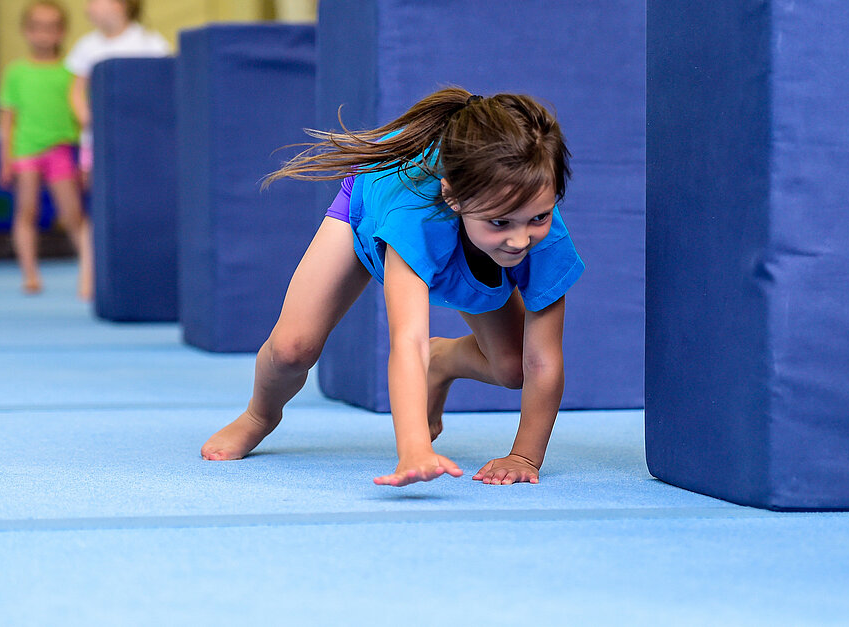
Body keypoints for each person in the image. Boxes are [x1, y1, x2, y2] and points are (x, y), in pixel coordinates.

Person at [202, 87, 584, 487]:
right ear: (452, 197)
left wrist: (525, 456)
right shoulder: (414, 219)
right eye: (501, 222)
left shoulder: (544, 236)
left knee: (512, 366)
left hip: (464, 241)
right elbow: (408, 341)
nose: (521, 241)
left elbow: (542, 361)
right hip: (367, 207)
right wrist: (414, 446)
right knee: (292, 349)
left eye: (538, 217)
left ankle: (444, 361)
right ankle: (259, 415)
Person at [65, 0, 171, 299]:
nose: (89, 5)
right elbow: (76, 91)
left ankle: (140, 276)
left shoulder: (150, 44)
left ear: (121, 2)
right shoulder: (88, 46)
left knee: (139, 208)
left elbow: (162, 93)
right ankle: (90, 278)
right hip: (98, 144)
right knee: (98, 209)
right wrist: (89, 118)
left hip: (140, 147)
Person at [0, 0, 86, 296]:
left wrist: (84, 159)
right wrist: (5, 159)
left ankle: (89, 268)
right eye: (36, 28)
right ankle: (30, 273)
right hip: (26, 152)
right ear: (25, 31)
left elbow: (82, 117)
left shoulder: (70, 73)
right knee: (27, 211)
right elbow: (7, 120)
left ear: (61, 32)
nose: (43, 35)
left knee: (72, 214)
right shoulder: (16, 72)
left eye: (51, 28)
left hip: (60, 150)